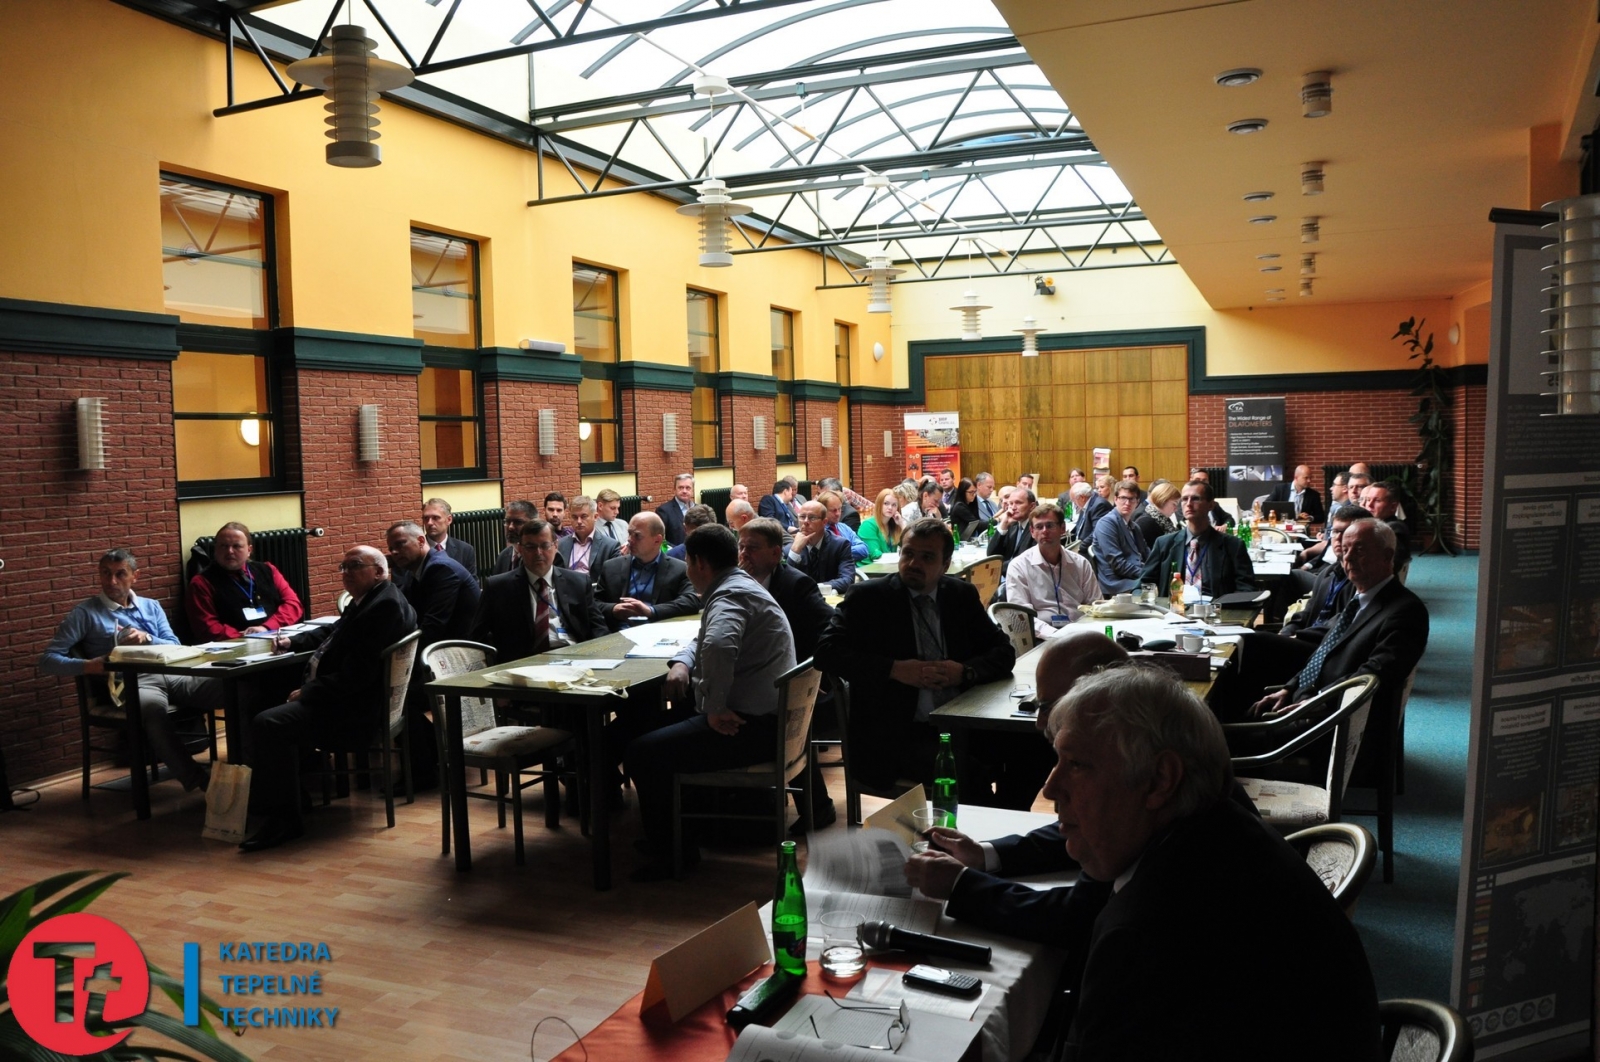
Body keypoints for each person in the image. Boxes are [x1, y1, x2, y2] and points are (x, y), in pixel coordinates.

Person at [1034, 667, 1379, 1059]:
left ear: (1159, 780)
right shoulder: (1221, 825)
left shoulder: (1144, 935)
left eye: (1076, 764)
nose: (1050, 787)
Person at [904, 631, 1129, 944]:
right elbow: (1085, 828)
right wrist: (983, 854)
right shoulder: (1131, 754)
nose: (1039, 722)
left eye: (1049, 706)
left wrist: (960, 885)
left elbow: (1075, 916)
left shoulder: (1132, 773)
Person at [624, 524, 797, 881]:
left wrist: (714, 707)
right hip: (769, 718)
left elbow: (718, 644)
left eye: (688, 562)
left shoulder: (729, 596)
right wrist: (682, 663)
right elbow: (705, 638)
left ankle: (675, 854)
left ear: (699, 563)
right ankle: (680, 832)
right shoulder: (738, 586)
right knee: (648, 727)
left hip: (749, 727)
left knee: (642, 752)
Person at [239, 546, 417, 852]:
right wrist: (291, 642)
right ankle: (288, 794)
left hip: (354, 711)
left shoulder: (383, 607)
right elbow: (334, 633)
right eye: (343, 567)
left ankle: (284, 820)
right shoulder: (371, 599)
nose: (346, 573)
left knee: (269, 722)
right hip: (347, 698)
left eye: (355, 566)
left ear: (379, 571)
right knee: (261, 699)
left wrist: (311, 691)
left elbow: (360, 674)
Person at [815, 518, 1015, 788]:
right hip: (894, 736)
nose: (913, 563)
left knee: (1034, 749)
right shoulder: (868, 598)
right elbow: (826, 652)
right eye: (908, 553)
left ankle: (1000, 812)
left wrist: (965, 672)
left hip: (962, 723)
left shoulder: (960, 595)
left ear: (945, 565)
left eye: (927, 557)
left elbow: (1004, 652)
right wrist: (894, 669)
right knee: (967, 773)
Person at [41, 548, 223, 794]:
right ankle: (202, 784)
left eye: (120, 574)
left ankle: (250, 767)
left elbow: (175, 645)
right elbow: (48, 660)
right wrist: (90, 665)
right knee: (152, 710)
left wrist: (148, 638)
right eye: (105, 573)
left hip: (171, 672)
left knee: (232, 688)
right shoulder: (85, 613)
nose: (111, 581)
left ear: (135, 576)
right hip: (133, 681)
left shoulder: (151, 606)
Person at [1246, 518, 1429, 721]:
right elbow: (1323, 653)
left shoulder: (1406, 611)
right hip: (1307, 702)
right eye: (1345, 549)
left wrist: (1318, 700)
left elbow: (1374, 674)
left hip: (1331, 719)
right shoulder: (1358, 602)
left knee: (1232, 730)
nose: (1347, 557)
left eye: (1359, 550)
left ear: (1387, 556)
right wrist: (1289, 689)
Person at [740, 517, 838, 829]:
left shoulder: (796, 584)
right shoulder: (738, 583)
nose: (744, 554)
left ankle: (814, 807)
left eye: (752, 548)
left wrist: (813, 670)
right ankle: (754, 802)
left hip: (802, 683)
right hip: (756, 673)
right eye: (741, 547)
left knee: (773, 714)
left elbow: (831, 629)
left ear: (775, 553)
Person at [472, 519, 609, 661]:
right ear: (520, 549)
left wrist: (600, 658)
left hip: (575, 659)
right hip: (522, 664)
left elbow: (599, 628)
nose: (538, 553)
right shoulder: (499, 587)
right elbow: (477, 638)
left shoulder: (578, 583)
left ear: (556, 546)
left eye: (545, 546)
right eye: (530, 547)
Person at [186, 522, 304, 640]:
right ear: (215, 550)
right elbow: (207, 628)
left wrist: (267, 628)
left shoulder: (268, 570)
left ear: (249, 550)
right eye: (224, 546)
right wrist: (247, 637)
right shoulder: (202, 583)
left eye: (237, 546)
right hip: (235, 645)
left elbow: (293, 604)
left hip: (277, 637)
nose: (230, 551)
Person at [1140, 479, 1256, 598]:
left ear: (1211, 505)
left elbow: (1246, 588)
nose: (1189, 504)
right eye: (1184, 499)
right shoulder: (1164, 544)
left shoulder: (1233, 546)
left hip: (1216, 607)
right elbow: (1143, 584)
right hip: (1175, 607)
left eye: (1195, 498)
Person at [1005, 503, 1101, 640]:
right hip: (1042, 636)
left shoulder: (1080, 563)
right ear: (1032, 532)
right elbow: (1021, 616)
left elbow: (1096, 605)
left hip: (1080, 632)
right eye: (1039, 527)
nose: (1045, 531)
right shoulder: (1019, 566)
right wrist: (1056, 635)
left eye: (1050, 525)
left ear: (1063, 528)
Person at [594, 512, 700, 630]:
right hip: (618, 633)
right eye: (629, 533)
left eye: (637, 536)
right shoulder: (611, 567)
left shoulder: (679, 569)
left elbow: (691, 601)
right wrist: (613, 609)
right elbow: (594, 603)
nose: (629, 540)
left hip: (659, 631)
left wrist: (651, 611)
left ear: (657, 540)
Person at [387, 521, 480, 655]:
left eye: (400, 544)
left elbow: (434, 626)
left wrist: (404, 656)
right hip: (445, 647)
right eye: (391, 549)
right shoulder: (414, 571)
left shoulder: (441, 568)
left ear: (420, 541)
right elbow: (408, 615)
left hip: (464, 651)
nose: (394, 552)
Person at [1091, 479, 1149, 596]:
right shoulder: (1106, 523)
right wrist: (1147, 573)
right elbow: (1118, 564)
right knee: (1157, 589)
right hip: (1118, 582)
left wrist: (1156, 569)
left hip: (1134, 576)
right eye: (1123, 498)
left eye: (1131, 499)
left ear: (1137, 502)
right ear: (1116, 499)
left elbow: (1147, 554)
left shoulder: (1135, 526)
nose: (1127, 503)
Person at [787, 499, 856, 594]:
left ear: (824, 522)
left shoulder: (840, 545)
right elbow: (784, 583)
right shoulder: (790, 549)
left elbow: (847, 581)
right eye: (802, 517)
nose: (805, 522)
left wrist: (814, 588)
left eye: (812, 518)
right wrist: (794, 552)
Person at [556, 495, 620, 580]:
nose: (579, 521)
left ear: (595, 517)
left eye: (584, 516)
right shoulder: (560, 545)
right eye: (574, 517)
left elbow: (613, 579)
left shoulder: (610, 547)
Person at [1360, 482, 1414, 572]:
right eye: (1368, 500)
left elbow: (1393, 564)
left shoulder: (1394, 529)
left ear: (1393, 507)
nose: (1369, 505)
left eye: (1377, 501)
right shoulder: (1373, 525)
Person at [985, 487, 1036, 574]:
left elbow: (1024, 562)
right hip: (1006, 575)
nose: (1013, 507)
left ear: (1032, 506)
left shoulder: (1037, 528)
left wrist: (996, 568)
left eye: (1018, 503)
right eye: (1011, 503)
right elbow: (991, 555)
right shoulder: (1012, 525)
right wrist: (1003, 526)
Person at [422, 498, 477, 575]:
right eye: (426, 518)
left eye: (436, 518)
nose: (429, 523)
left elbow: (472, 581)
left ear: (449, 519)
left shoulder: (465, 550)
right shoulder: (415, 550)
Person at [817, 490, 869, 561]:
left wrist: (842, 551)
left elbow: (864, 550)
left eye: (839, 509)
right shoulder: (818, 531)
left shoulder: (844, 528)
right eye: (833, 510)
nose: (838, 513)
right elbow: (827, 556)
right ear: (823, 511)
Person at [1132, 480, 1181, 551]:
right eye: (1174, 504)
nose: (1176, 509)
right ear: (1163, 500)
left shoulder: (1164, 520)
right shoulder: (1145, 523)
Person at [492, 500, 537, 575]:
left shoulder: (542, 556)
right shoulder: (503, 556)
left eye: (518, 522)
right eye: (507, 521)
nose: (510, 527)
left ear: (533, 524)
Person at [857, 487, 903, 561]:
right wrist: (897, 558)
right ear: (879, 504)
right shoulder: (868, 525)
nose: (890, 507)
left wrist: (902, 524)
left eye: (894, 505)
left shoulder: (894, 525)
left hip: (888, 565)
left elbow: (910, 545)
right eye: (886, 503)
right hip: (869, 566)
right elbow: (875, 555)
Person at [657, 473, 695, 546]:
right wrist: (678, 551)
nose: (684, 491)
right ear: (674, 489)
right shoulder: (664, 511)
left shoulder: (699, 509)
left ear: (692, 490)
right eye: (680, 487)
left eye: (688, 488)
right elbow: (660, 540)